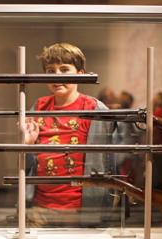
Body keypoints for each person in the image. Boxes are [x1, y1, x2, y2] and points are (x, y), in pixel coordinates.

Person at [22, 43, 114, 227]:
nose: (57, 76)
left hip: (79, 209)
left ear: (80, 74)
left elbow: (109, 160)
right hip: (39, 205)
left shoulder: (94, 109)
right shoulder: (38, 107)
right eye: (50, 71)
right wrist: (26, 145)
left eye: (64, 70)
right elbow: (26, 163)